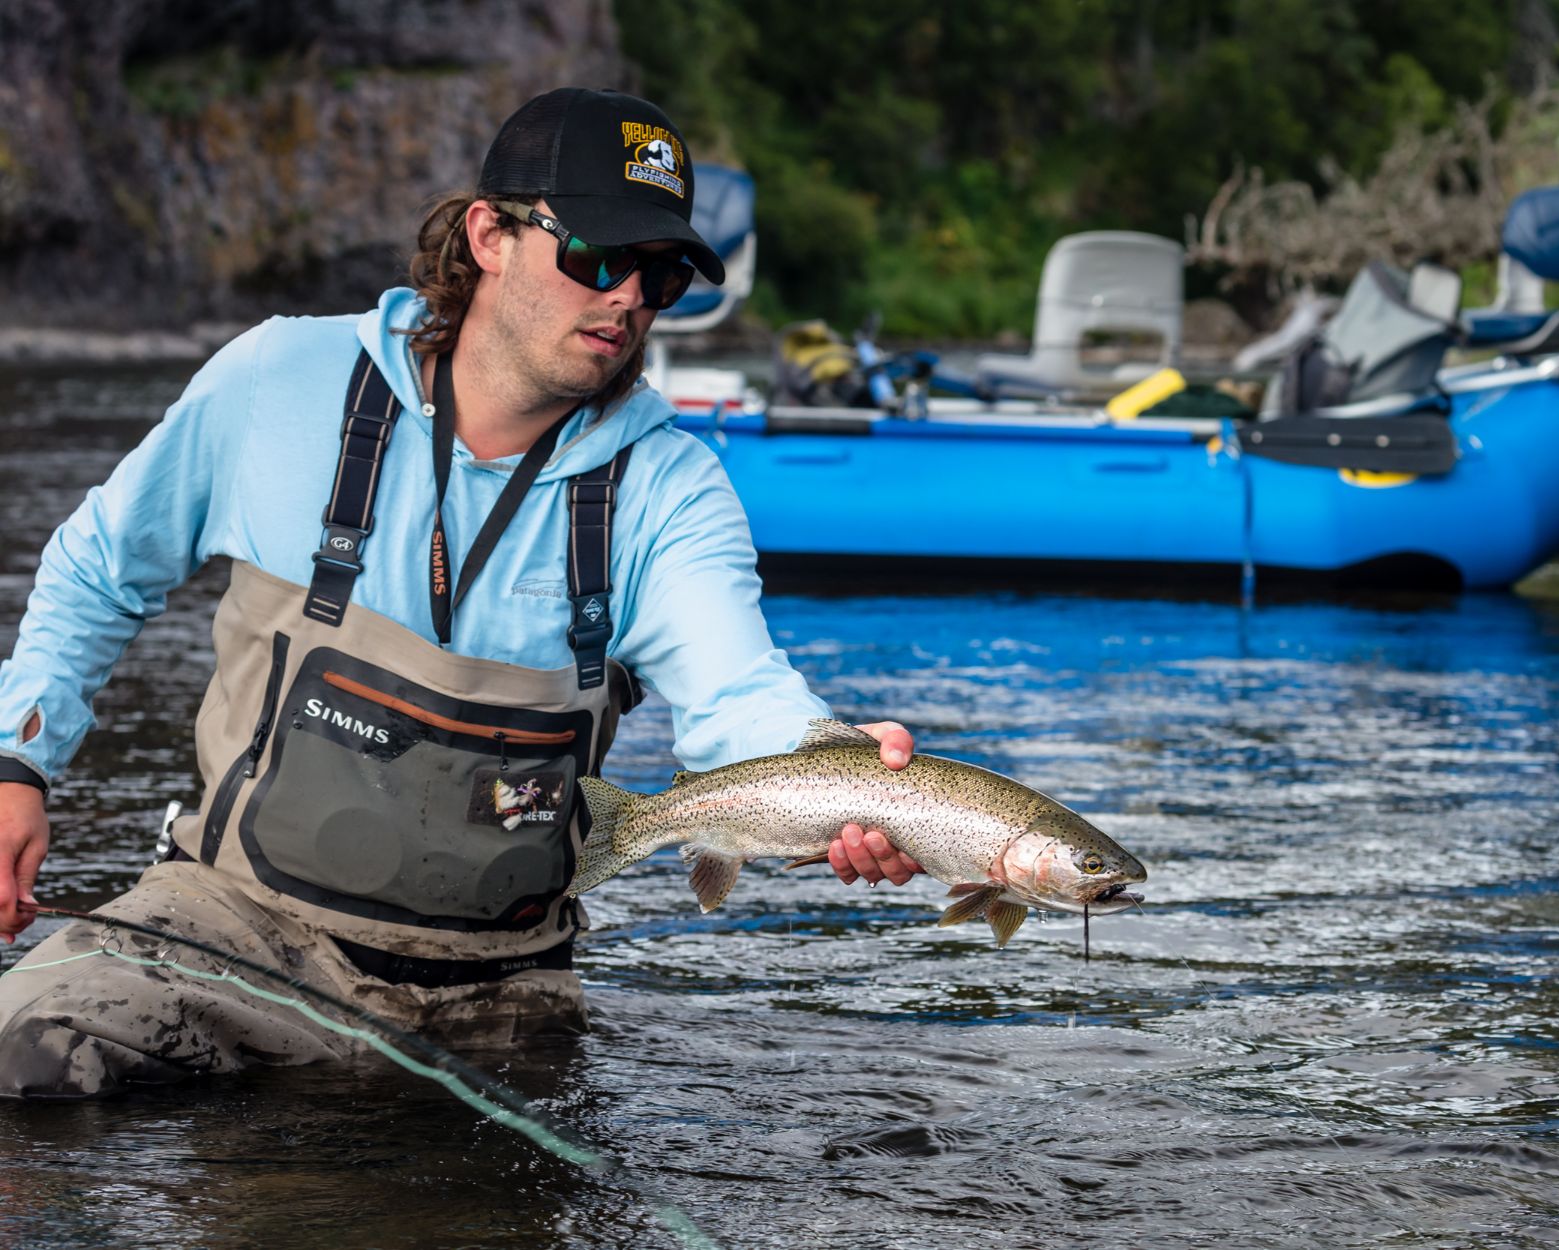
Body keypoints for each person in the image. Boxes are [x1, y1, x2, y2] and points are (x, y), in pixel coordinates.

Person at [0, 88, 922, 1097]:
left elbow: (736, 694)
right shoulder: (278, 379)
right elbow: (98, 566)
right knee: (25, 1052)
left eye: (659, 276)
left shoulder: (672, 487)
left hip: (501, 990)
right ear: (488, 234)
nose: (626, 300)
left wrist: (841, 774)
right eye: (597, 258)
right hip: (232, 929)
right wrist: (19, 758)